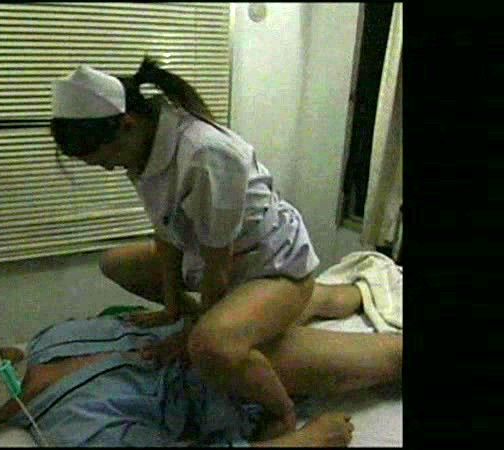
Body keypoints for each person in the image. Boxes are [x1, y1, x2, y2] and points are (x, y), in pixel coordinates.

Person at [50, 57, 323, 430]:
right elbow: (166, 232)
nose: (109, 168)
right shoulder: (142, 147)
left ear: (128, 125)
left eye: (106, 159)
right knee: (114, 262)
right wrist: (172, 307)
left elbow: (218, 268)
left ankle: (283, 412)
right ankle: (329, 298)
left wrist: (192, 335)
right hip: (219, 259)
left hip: (272, 265)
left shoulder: (205, 154)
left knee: (209, 347)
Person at [0, 283, 400, 447]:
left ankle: (361, 289)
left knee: (310, 292)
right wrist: (305, 441)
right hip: (225, 375)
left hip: (209, 329)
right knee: (392, 358)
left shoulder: (48, 341)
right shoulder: (77, 431)